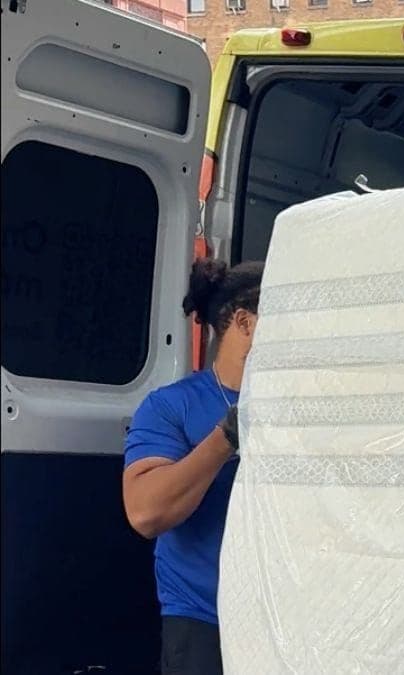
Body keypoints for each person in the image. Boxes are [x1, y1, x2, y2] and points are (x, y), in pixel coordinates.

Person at [122, 258, 263, 675]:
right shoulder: (171, 406)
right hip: (203, 619)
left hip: (283, 615)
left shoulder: (306, 401)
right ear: (244, 321)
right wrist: (227, 437)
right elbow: (146, 513)